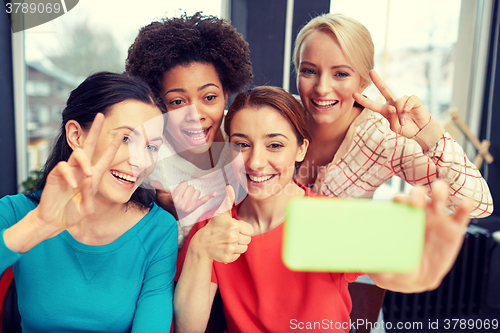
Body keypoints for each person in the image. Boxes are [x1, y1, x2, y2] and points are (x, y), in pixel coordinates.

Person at [173, 86, 474, 333]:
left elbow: (386, 274)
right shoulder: (214, 228)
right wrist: (200, 249)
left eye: (275, 145)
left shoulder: (328, 218)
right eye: (242, 144)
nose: (255, 162)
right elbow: (189, 329)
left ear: (301, 148)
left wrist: (416, 273)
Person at [0, 72, 178, 332]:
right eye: (125, 139)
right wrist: (38, 225)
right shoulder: (16, 212)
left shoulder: (158, 230)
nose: (140, 161)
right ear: (75, 135)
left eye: (152, 147)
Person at [292, 13, 493, 218]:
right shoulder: (278, 115)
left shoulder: (384, 138)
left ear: (363, 81)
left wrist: (430, 134)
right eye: (309, 71)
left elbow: (479, 206)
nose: (322, 88)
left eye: (341, 74)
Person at [125, 12, 254, 247]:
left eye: (209, 97)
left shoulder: (241, 137)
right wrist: (166, 214)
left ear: (225, 97)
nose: (195, 115)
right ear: (160, 104)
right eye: (178, 102)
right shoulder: (152, 166)